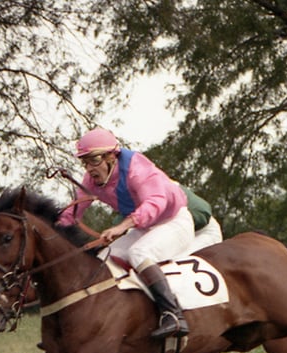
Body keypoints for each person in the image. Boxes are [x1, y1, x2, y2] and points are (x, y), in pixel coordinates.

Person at [57, 127, 220, 339]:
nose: (89, 168)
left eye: (94, 160)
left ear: (111, 157)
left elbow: (156, 202)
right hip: (145, 227)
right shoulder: (92, 179)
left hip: (174, 222)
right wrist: (52, 230)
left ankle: (173, 315)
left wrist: (122, 227)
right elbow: (74, 210)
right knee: (104, 258)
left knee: (139, 253)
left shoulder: (137, 167)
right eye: (85, 162)